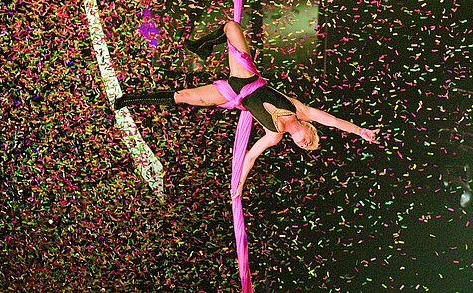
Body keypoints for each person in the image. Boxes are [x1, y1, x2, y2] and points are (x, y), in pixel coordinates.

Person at [115, 21, 380, 199]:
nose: (305, 142)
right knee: (231, 25)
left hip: (232, 94)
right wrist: (361, 131)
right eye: (310, 140)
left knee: (182, 97)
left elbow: (250, 157)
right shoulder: (301, 112)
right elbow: (333, 121)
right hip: (246, 77)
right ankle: (201, 45)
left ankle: (128, 100)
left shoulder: (273, 135)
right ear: (309, 130)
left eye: (304, 146)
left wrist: (238, 185)